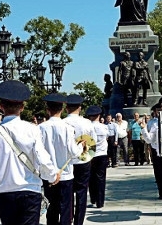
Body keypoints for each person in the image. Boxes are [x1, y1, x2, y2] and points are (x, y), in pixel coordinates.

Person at [0, 80, 61, 225]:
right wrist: (52, 175)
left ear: (1, 107)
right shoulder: (32, 129)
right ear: (23, 107)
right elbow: (42, 158)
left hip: (4, 192)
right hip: (29, 190)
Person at [39, 93, 84, 225]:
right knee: (66, 208)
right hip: (65, 174)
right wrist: (80, 146)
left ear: (48, 109)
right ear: (63, 108)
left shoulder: (40, 128)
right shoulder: (67, 128)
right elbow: (74, 153)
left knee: (51, 206)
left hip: (48, 175)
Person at [63, 94, 97, 225]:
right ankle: (79, 221)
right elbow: (93, 142)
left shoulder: (63, 123)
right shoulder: (87, 123)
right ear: (80, 108)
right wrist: (89, 158)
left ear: (66, 108)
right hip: (83, 160)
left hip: (67, 161)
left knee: (68, 193)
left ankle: (68, 218)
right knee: (82, 192)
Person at [87, 106, 109, 208]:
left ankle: (93, 198)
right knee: (101, 178)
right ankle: (100, 201)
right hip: (102, 154)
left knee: (91, 177)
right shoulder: (104, 127)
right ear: (99, 116)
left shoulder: (87, 127)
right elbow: (107, 137)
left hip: (91, 154)